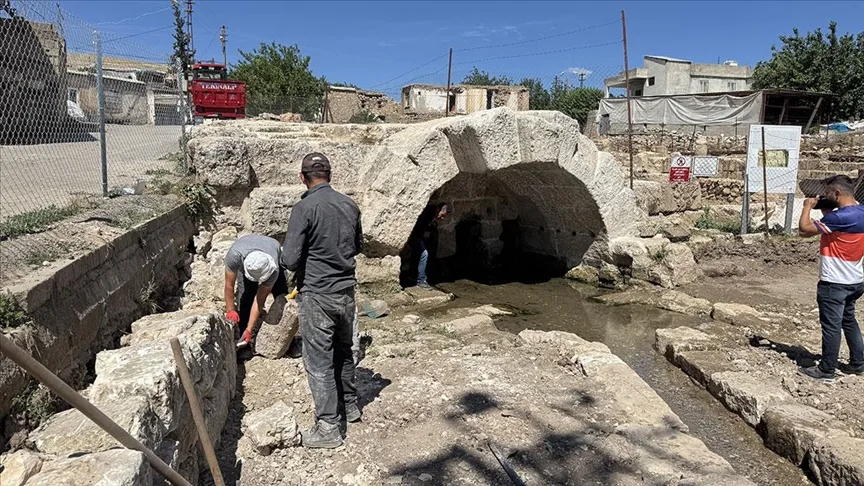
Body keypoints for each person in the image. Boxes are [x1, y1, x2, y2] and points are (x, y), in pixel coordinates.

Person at [281, 152, 363, 449]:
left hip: (317, 294)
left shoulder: (304, 208)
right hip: (346, 293)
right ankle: (350, 407)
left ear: (303, 177)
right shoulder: (350, 205)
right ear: (330, 175)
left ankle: (328, 427)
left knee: (319, 361)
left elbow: (290, 260)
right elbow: (356, 246)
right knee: (344, 352)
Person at [798, 175, 864, 380]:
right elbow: (840, 232)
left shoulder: (838, 218)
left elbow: (804, 230)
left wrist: (807, 206)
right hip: (855, 279)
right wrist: (828, 213)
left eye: (828, 194)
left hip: (834, 282)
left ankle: (826, 369)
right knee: (849, 320)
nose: (825, 197)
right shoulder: (859, 212)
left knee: (831, 326)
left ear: (837, 194)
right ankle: (858, 363)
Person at [223, 234, 288, 348]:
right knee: (246, 295)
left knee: (281, 294)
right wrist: (230, 309)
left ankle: (288, 340)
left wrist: (250, 328)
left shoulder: (273, 269)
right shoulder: (234, 256)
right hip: (245, 248)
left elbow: (260, 299)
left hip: (271, 248)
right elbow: (229, 285)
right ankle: (243, 338)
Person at [408, 202, 450, 289]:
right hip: (414, 235)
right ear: (438, 210)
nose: (442, 218)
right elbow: (418, 226)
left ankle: (412, 275)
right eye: (442, 215)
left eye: (444, 217)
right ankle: (421, 280)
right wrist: (424, 233)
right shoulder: (427, 214)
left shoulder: (432, 216)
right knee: (424, 254)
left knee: (417, 254)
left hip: (418, 235)